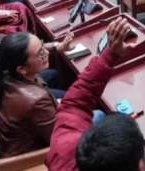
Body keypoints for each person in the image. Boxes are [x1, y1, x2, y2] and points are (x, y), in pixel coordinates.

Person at [47, 18, 138, 171]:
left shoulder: (64, 151)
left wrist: (110, 56)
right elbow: (74, 104)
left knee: (98, 115)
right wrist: (110, 55)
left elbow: (74, 104)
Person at [0, 32, 74, 158]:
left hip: (19, 147)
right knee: (98, 115)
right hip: (29, 162)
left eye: (42, 46)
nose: (46, 52)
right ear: (21, 69)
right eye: (40, 53)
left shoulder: (7, 77)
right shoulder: (36, 99)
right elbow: (61, 139)